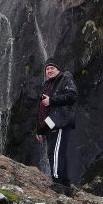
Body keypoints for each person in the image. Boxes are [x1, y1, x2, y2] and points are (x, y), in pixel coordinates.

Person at [36, 58, 77, 195]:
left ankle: (57, 182)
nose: (49, 70)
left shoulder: (65, 78)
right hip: (51, 122)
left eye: (52, 68)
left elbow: (72, 96)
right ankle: (66, 186)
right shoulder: (47, 84)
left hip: (61, 121)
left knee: (56, 152)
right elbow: (43, 110)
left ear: (58, 69)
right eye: (47, 69)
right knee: (53, 152)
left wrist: (52, 100)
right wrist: (40, 130)